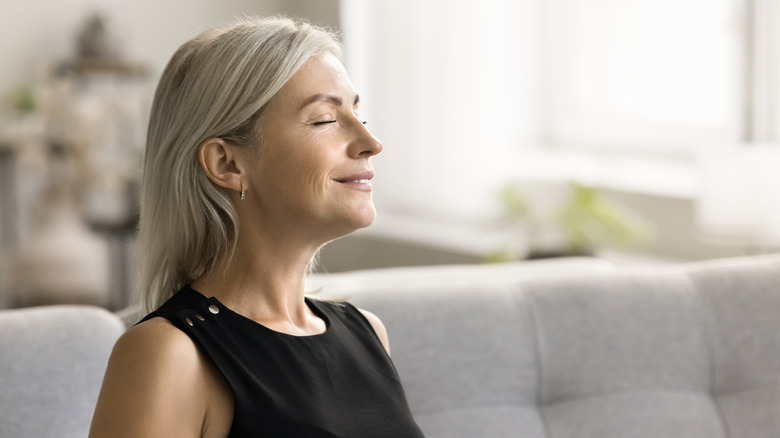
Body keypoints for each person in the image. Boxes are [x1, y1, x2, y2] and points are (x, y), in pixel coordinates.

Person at [89, 16, 425, 438]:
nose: (370, 142)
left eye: (358, 113)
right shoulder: (171, 354)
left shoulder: (368, 333)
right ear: (226, 163)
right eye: (324, 119)